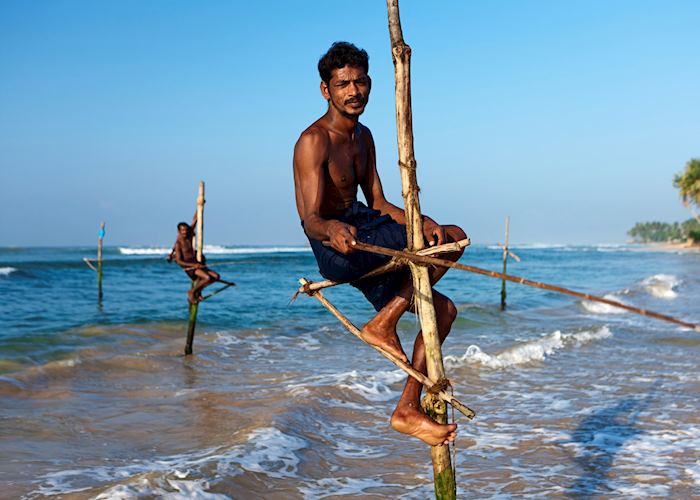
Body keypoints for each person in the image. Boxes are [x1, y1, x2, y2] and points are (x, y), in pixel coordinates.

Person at [293, 41, 467, 446]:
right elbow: (310, 219)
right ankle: (384, 323)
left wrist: (420, 220)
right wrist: (331, 231)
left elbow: (379, 203)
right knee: (455, 240)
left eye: (360, 82)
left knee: (443, 311)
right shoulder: (313, 140)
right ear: (326, 90)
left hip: (365, 227)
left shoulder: (364, 136)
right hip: (336, 246)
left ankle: (407, 408)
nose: (353, 92)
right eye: (343, 85)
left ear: (369, 84)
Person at [169, 213, 220, 304]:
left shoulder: (189, 234)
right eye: (182, 230)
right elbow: (180, 262)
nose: (185, 232)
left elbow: (194, 220)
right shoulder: (178, 243)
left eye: (186, 230)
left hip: (195, 261)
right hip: (189, 266)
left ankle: (198, 290)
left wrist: (199, 206)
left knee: (216, 277)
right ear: (179, 231)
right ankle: (192, 292)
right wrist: (194, 265)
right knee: (207, 277)